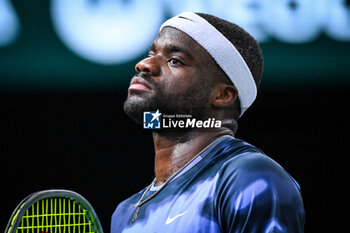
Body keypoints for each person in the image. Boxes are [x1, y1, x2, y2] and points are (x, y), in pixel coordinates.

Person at [111, 12, 305, 233]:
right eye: (150, 53)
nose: (144, 64)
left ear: (222, 95)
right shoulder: (124, 213)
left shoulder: (249, 177)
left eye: (174, 60)